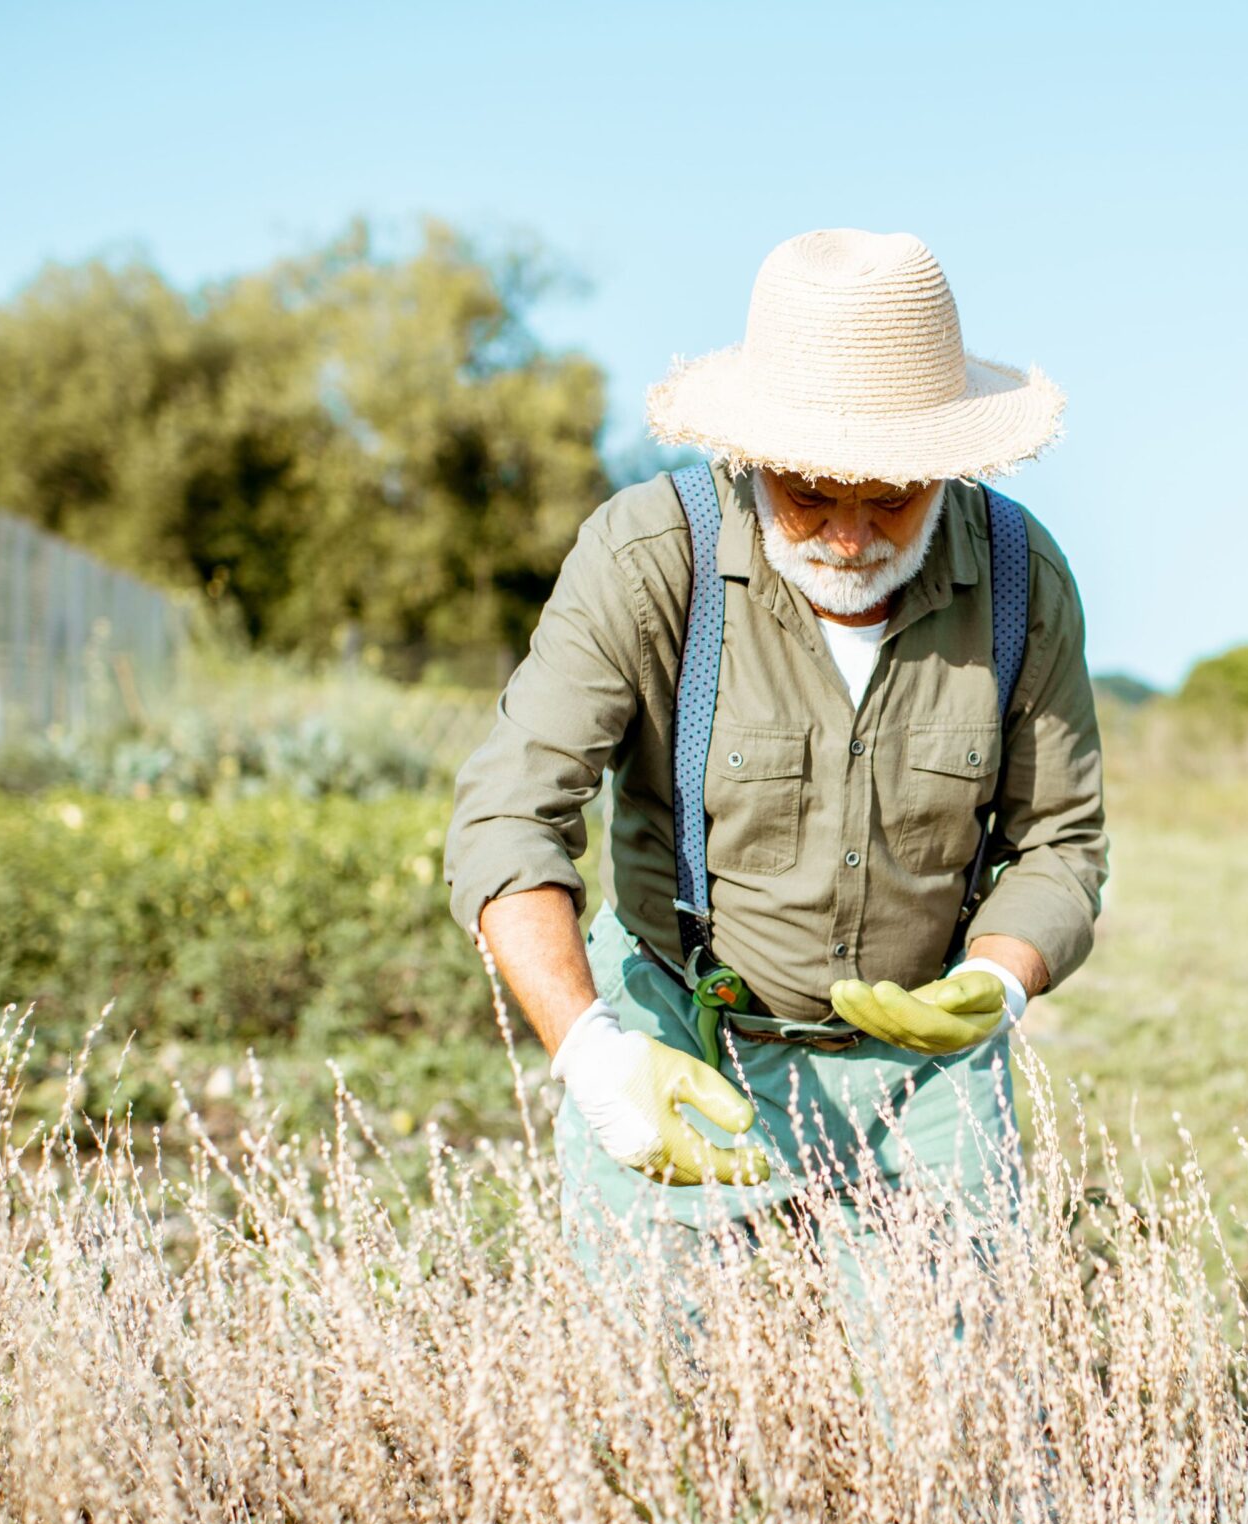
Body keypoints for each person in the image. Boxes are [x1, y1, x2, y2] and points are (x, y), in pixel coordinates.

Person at [442, 229, 1108, 1296]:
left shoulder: (1025, 579)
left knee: (954, 1422)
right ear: (753, 452)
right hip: (680, 1039)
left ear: (948, 463)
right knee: (650, 1419)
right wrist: (590, 1055)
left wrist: (998, 979)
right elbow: (506, 820)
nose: (849, 538)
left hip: (926, 1088)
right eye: (811, 494)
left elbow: (1059, 844)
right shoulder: (647, 558)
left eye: (891, 496)